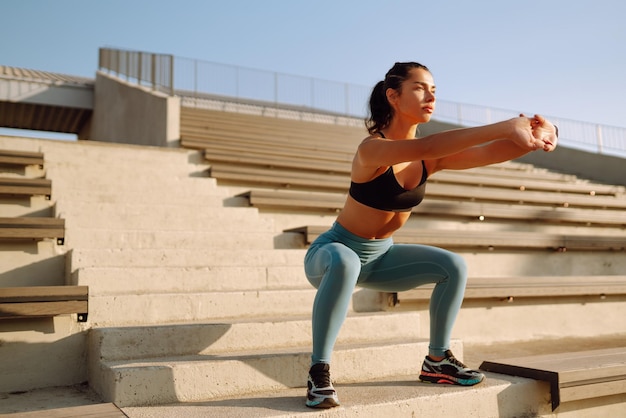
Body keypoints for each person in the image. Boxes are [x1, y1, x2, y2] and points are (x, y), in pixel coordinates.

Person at [303, 62, 558, 409]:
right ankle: (319, 371)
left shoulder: (429, 159)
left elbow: (489, 152)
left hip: (380, 259)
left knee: (452, 264)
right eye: (421, 88)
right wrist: (505, 126)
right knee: (346, 260)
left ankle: (437, 361)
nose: (431, 96)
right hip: (332, 254)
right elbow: (431, 146)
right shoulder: (372, 149)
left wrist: (536, 135)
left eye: (434, 90)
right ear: (393, 96)